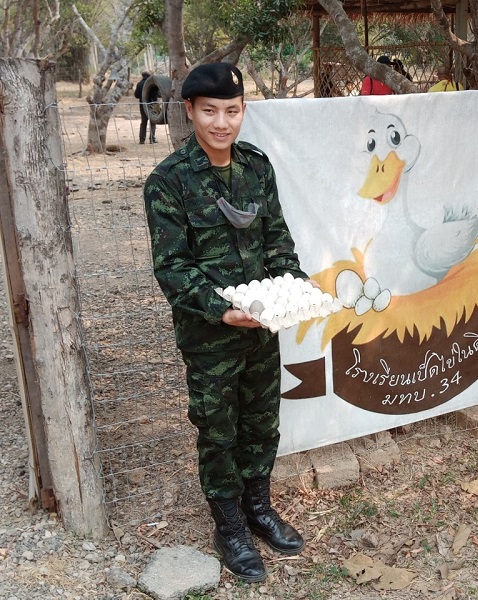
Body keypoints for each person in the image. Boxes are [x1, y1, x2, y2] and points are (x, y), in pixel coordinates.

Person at [143, 63, 309, 582]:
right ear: (189, 110)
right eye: (210, 111)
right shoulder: (169, 181)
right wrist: (220, 309)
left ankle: (258, 508)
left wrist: (293, 286)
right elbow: (172, 267)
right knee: (218, 429)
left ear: (243, 111)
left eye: (232, 111)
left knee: (261, 421)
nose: (222, 123)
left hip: (261, 328)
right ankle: (229, 525)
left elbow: (277, 239)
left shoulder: (256, 166)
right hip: (210, 335)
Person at [134, 71, 157, 144]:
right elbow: (157, 94)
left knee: (143, 122)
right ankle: (152, 139)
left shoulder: (139, 84)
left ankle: (142, 140)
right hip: (153, 104)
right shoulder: (153, 84)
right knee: (153, 122)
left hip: (143, 105)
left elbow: (136, 95)